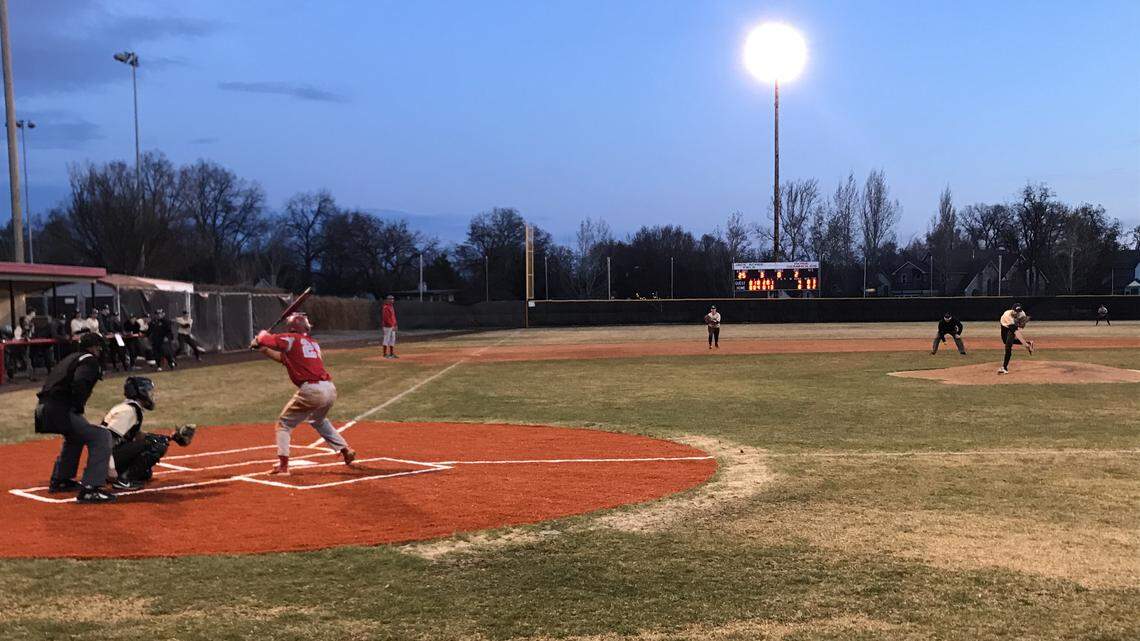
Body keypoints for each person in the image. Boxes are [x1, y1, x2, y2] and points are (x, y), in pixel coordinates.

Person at [251, 312, 355, 475]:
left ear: (291, 327)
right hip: (329, 388)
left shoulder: (291, 339)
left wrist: (260, 336)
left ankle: (283, 467)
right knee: (318, 420)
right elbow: (284, 359)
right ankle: (345, 449)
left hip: (312, 390)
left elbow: (266, 338)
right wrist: (262, 349)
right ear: (305, 327)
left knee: (283, 424)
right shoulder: (312, 343)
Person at [35, 333, 115, 503]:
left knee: (76, 436)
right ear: (93, 347)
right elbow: (79, 382)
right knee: (101, 436)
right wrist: (77, 406)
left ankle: (61, 479)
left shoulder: (72, 357)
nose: (101, 350)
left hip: (44, 409)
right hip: (58, 409)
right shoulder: (89, 360)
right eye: (99, 346)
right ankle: (90, 488)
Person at [101, 376, 196, 489]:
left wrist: (171, 437)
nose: (151, 395)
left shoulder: (131, 408)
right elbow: (105, 442)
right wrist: (110, 469)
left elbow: (137, 435)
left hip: (104, 458)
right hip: (104, 459)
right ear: (141, 392)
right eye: (148, 391)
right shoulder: (127, 412)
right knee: (157, 445)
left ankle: (119, 474)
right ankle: (123, 480)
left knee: (145, 471)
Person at [998, 303, 1034, 375]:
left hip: (1013, 327)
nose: (1017, 313)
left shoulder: (1022, 314)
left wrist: (1020, 327)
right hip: (1005, 325)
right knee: (1005, 341)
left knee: (1008, 346)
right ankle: (1028, 343)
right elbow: (1015, 331)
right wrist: (1025, 344)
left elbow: (1018, 329)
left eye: (1019, 311)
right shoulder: (1007, 315)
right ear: (1012, 309)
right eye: (1015, 311)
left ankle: (1004, 368)